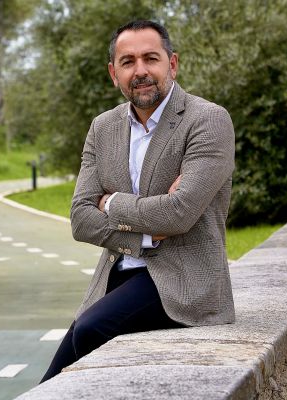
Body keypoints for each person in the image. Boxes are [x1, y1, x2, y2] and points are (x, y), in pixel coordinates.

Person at [40, 19, 236, 383]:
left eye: (151, 58)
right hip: (115, 275)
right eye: (128, 62)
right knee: (52, 378)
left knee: (89, 332)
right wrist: (144, 233)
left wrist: (111, 203)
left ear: (172, 64)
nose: (140, 71)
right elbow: (81, 218)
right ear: (114, 73)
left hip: (184, 281)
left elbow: (178, 215)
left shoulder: (208, 120)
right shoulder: (103, 126)